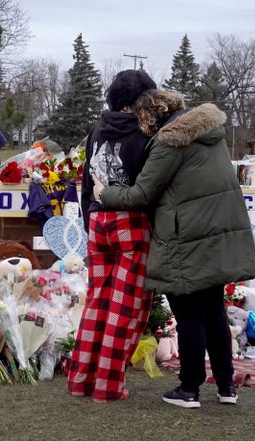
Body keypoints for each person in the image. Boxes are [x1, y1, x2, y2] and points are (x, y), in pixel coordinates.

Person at [92, 89, 255, 409]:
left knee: (189, 315)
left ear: (149, 116)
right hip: (217, 235)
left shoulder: (170, 142)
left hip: (186, 239)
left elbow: (142, 193)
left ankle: (189, 389)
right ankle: (226, 387)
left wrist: (104, 192)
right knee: (213, 314)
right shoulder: (210, 134)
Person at [66, 69, 157, 403]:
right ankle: (108, 386)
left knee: (97, 301)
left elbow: (86, 183)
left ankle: (82, 380)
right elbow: (150, 187)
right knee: (125, 307)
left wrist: (90, 215)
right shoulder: (145, 134)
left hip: (97, 221)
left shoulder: (96, 131)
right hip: (131, 222)